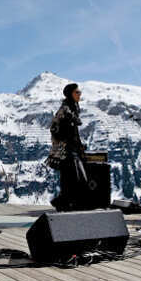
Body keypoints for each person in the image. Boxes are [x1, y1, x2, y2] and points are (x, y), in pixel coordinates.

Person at [46, 83, 88, 212]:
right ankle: (64, 205)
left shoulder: (72, 108)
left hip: (72, 150)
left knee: (73, 180)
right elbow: (54, 129)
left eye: (80, 92)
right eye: (77, 92)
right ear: (70, 94)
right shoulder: (65, 110)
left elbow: (74, 131)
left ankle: (62, 203)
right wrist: (65, 140)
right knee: (74, 179)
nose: (79, 94)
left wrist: (79, 146)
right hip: (66, 151)